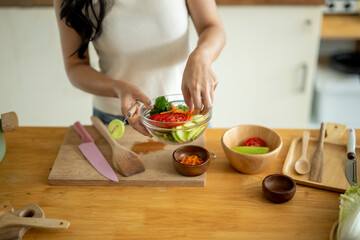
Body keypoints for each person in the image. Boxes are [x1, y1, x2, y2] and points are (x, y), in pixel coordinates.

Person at [54, 0, 225, 137]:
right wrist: (118, 88)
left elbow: (212, 26)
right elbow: (75, 66)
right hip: (116, 118)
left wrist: (201, 56)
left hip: (187, 114)